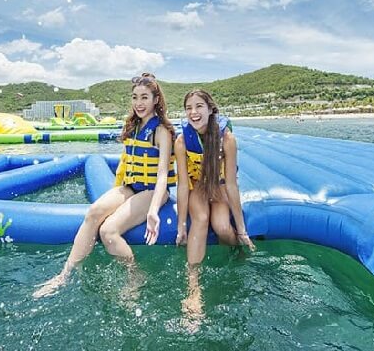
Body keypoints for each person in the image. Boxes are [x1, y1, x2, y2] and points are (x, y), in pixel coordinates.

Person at [33, 73, 176, 298]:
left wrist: (153, 209)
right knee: (93, 213)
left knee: (108, 231)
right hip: (131, 186)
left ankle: (134, 275)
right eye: (135, 97)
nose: (139, 103)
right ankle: (64, 275)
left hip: (152, 190)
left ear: (156, 100)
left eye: (144, 97)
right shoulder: (134, 126)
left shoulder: (161, 132)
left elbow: (162, 175)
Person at [146, 89, 255, 323]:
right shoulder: (182, 141)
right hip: (197, 187)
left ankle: (233, 257)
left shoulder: (227, 139)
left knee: (223, 227)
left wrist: (242, 230)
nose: (193, 112)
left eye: (199, 107)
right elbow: (183, 185)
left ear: (210, 109)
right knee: (202, 218)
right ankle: (193, 289)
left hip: (220, 186)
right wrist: (181, 226)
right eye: (189, 108)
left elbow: (232, 185)